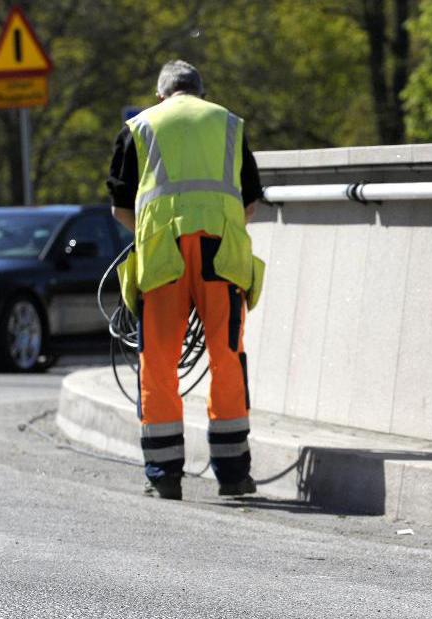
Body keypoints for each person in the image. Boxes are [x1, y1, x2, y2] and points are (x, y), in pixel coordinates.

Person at [106, 60, 264, 500]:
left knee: (157, 362)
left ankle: (164, 473)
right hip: (221, 255)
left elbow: (121, 208)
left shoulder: (139, 126)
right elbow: (250, 203)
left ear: (161, 96)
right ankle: (233, 475)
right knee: (226, 357)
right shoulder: (228, 123)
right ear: (200, 91)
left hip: (163, 259)